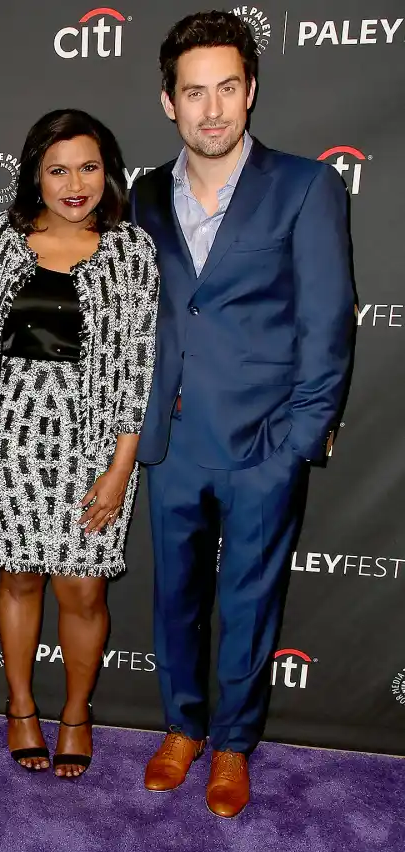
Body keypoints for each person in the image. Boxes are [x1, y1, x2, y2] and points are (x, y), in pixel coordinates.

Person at [131, 11, 354, 818]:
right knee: (176, 598)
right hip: (173, 439)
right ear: (169, 102)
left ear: (251, 91)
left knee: (251, 600)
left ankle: (232, 743)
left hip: (264, 441)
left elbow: (327, 319)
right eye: (195, 92)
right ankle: (182, 727)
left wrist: (300, 437)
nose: (213, 109)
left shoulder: (304, 185)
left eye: (228, 88)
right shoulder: (143, 192)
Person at [0, 109, 158, 779]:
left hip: (94, 443)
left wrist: (120, 466)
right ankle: (20, 707)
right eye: (57, 169)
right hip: (8, 438)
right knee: (19, 577)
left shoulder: (132, 249)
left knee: (82, 591)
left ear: (108, 173)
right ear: (35, 176)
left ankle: (76, 713)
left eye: (88, 167)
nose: (74, 183)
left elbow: (139, 365)